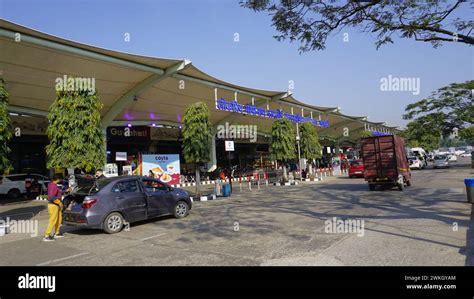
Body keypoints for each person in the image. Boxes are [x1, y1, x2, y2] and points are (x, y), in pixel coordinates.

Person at [43, 174, 64, 241]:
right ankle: (46, 236)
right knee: (53, 220)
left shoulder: (51, 184)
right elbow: (52, 197)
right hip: (53, 205)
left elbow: (56, 193)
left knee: (59, 219)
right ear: (58, 179)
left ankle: (56, 233)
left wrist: (64, 191)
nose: (61, 180)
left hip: (55, 205)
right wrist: (59, 202)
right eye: (61, 179)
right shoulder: (53, 185)